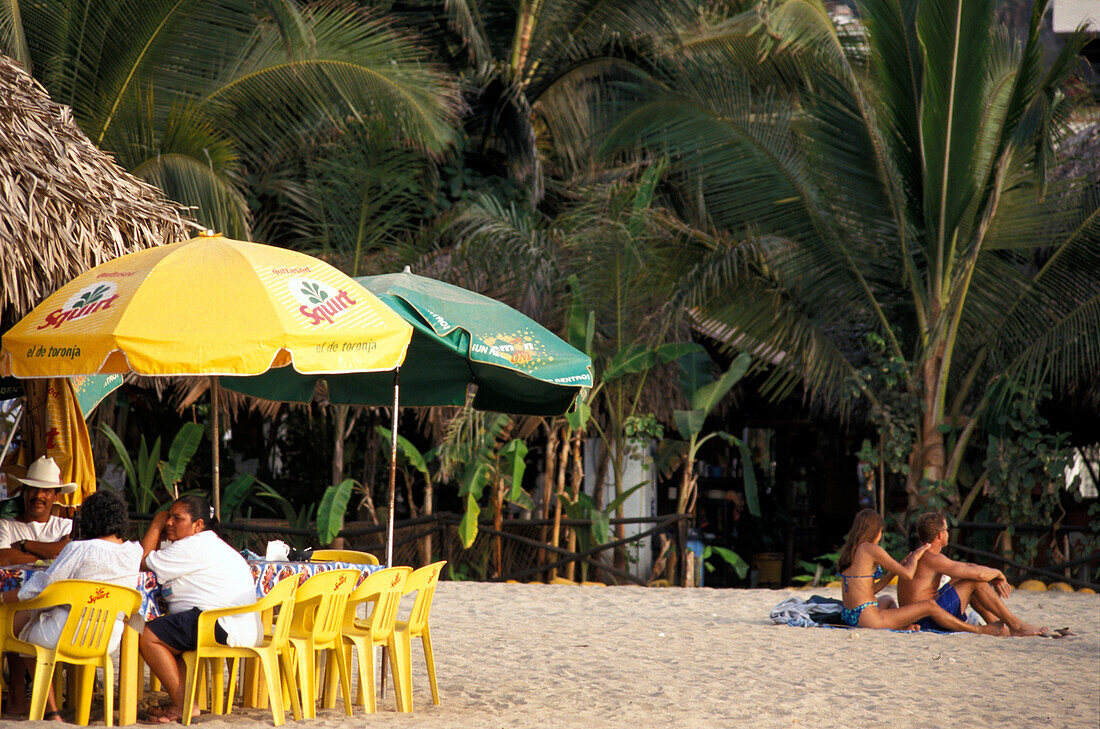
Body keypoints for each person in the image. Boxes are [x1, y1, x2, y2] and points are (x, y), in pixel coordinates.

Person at [0, 490, 143, 721]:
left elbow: (44, 586)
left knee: (21, 632)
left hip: (66, 634)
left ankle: (51, 710)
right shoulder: (134, 551)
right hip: (107, 638)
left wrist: (6, 598)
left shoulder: (79, 549)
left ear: (89, 519)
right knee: (33, 618)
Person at [138, 495, 261, 724]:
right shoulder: (205, 543)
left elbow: (141, 561)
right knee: (170, 639)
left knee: (147, 637)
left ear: (198, 525)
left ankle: (185, 705)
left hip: (218, 623)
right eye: (169, 518)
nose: (169, 523)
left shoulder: (192, 545)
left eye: (177, 518)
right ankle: (179, 704)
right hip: (235, 624)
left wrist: (155, 524)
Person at [837, 509, 1006, 635]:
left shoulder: (851, 551)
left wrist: (891, 574)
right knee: (929, 605)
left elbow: (869, 590)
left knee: (888, 600)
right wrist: (914, 558)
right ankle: (978, 629)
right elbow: (908, 573)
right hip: (869, 617)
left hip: (851, 614)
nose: (880, 537)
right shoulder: (871, 548)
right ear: (873, 530)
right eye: (880, 532)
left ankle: (903, 625)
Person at [897, 512, 1048, 636]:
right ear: (941, 535)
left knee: (969, 577)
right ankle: (1015, 624)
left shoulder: (918, 554)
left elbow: (969, 568)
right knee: (975, 581)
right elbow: (979, 576)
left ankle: (1001, 626)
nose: (948, 533)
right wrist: (998, 573)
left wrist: (993, 576)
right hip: (926, 619)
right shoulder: (932, 557)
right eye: (947, 530)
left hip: (919, 614)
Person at [0, 456, 76, 566]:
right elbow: (3, 557)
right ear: (24, 492)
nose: (38, 495)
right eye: (33, 489)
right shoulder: (5, 525)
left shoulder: (66, 526)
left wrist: (25, 545)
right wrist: (47, 559)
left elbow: (69, 551)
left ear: (56, 497)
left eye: (46, 491)